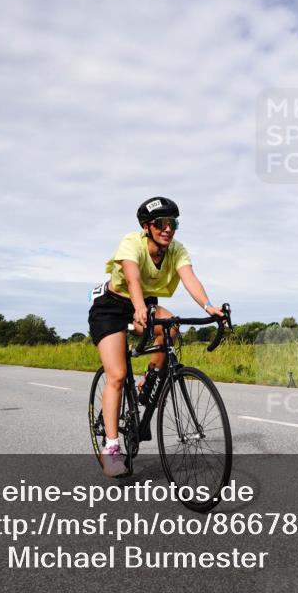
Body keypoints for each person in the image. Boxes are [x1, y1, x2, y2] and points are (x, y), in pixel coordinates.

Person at [88, 196, 222, 478]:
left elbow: (189, 278)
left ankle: (147, 381)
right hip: (112, 306)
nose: (168, 229)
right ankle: (111, 448)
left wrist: (210, 307)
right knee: (116, 374)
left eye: (173, 223)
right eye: (161, 223)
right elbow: (133, 279)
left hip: (144, 303)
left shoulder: (176, 250)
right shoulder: (131, 243)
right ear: (147, 227)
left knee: (171, 327)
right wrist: (138, 308)